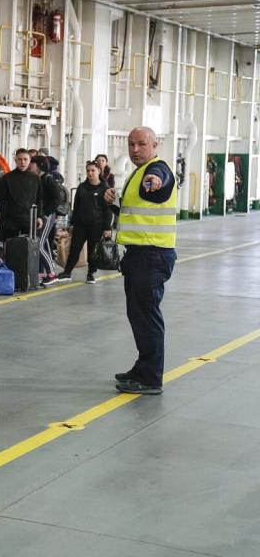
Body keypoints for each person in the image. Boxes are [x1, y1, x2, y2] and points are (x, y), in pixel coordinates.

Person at [104, 127, 177, 395]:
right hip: (139, 255)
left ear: (155, 145)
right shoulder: (137, 173)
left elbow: (157, 185)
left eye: (141, 144)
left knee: (147, 317)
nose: (135, 149)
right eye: (131, 144)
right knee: (138, 315)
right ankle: (143, 367)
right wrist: (114, 202)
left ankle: (150, 378)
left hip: (152, 255)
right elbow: (138, 212)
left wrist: (153, 183)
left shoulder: (158, 170)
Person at [57, 161, 113, 284]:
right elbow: (75, 207)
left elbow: (108, 210)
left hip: (96, 226)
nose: (90, 173)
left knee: (93, 251)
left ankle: (91, 274)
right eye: (88, 171)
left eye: (93, 170)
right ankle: (67, 272)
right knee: (75, 248)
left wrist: (107, 228)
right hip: (80, 225)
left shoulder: (106, 188)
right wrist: (72, 224)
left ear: (99, 171)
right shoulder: (82, 187)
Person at [29, 155, 64, 285]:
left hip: (47, 216)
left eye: (32, 166)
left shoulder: (48, 179)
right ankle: (43, 273)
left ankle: (51, 273)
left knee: (38, 243)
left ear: (39, 167)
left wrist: (45, 213)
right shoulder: (39, 179)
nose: (30, 168)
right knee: (43, 244)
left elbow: (57, 199)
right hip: (42, 215)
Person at [0, 149, 43, 240]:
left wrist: (39, 216)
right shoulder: (7, 178)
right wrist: (4, 219)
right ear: (15, 160)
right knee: (10, 249)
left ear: (29, 160)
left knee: (28, 250)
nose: (23, 162)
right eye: (20, 159)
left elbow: (39, 199)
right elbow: (2, 199)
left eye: (25, 159)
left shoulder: (36, 178)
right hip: (11, 220)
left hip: (29, 219)